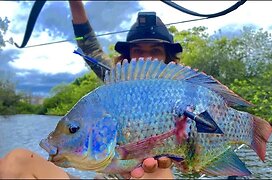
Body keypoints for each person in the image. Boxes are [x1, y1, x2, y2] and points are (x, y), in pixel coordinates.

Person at [0, 1, 183, 179]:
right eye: (137, 49)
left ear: (169, 58)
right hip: (104, 176)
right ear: (128, 55)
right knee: (17, 163)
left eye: (156, 50)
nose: (146, 57)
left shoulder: (185, 94)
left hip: (152, 174)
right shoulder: (117, 82)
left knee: (159, 173)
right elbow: (87, 44)